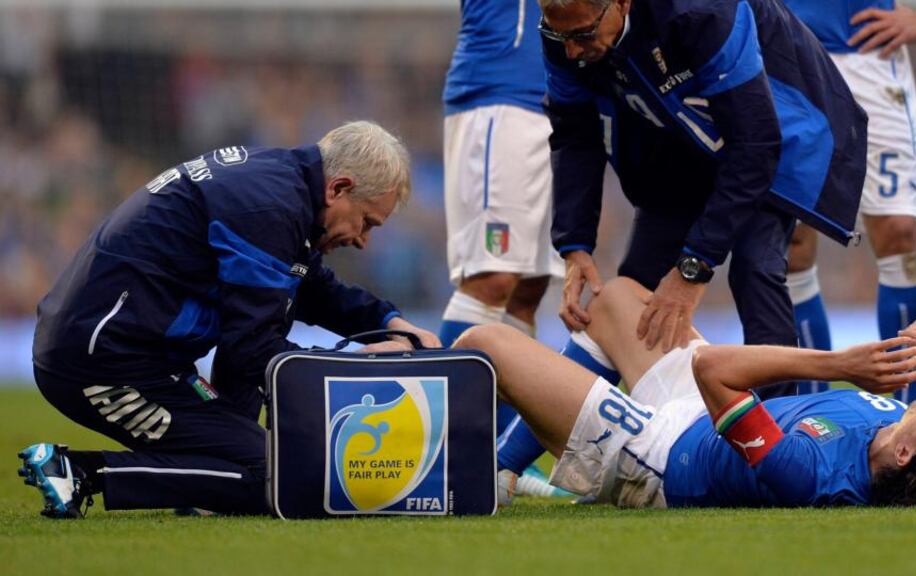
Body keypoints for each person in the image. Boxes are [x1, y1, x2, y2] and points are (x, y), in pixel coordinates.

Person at [18, 121, 440, 519]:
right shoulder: (268, 208)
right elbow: (252, 349)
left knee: (260, 449)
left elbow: (310, 288)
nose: (364, 241)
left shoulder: (280, 186)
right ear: (339, 188)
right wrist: (358, 366)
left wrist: (392, 322)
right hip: (100, 362)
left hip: (136, 355)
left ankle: (202, 489)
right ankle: (80, 472)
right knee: (281, 477)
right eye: (367, 222)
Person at [540, 0, 868, 397]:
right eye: (561, 35)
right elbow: (575, 134)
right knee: (630, 293)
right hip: (681, 146)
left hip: (774, 135)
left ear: (623, 4)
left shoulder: (702, 12)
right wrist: (575, 244)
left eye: (582, 35)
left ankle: (780, 440)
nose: (571, 49)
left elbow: (755, 143)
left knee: (754, 268)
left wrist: (692, 270)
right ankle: (528, 450)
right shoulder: (564, 32)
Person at [456, 277, 916, 508]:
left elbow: (714, 369)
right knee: (615, 299)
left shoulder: (811, 473)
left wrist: (838, 363)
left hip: (655, 458)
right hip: (695, 416)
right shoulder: (899, 435)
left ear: (906, 454)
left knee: (486, 343)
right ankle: (505, 470)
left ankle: (484, 473)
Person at [781, 0, 916, 401]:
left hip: (867, 53)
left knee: (900, 232)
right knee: (790, 244)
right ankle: (809, 417)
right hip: (782, 51)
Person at [440, 0, 564, 385]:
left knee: (528, 288)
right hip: (499, 100)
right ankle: (439, 427)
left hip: (560, 105)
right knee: (493, 277)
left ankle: (497, 436)